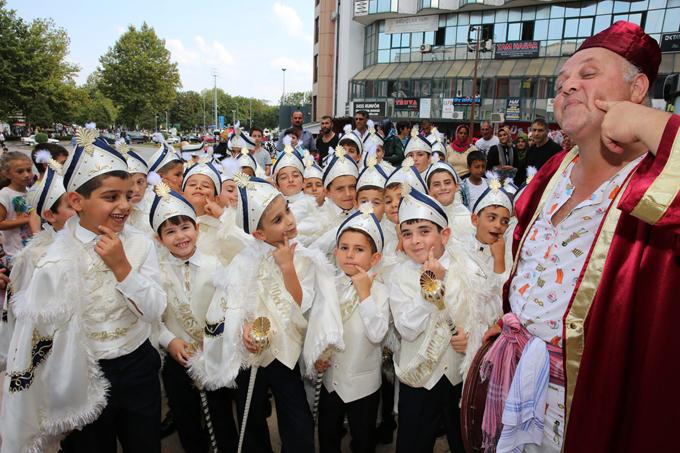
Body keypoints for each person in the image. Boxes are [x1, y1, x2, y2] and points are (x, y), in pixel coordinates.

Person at [472, 21, 680, 453]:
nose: (567, 88)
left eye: (587, 75)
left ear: (638, 87)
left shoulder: (659, 184)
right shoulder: (551, 173)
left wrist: (649, 123)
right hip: (522, 391)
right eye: (561, 81)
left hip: (595, 403)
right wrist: (514, 322)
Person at [1, 127, 166, 452]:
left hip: (136, 365)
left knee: (144, 443)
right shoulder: (51, 258)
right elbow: (38, 334)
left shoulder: (139, 245)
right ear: (76, 201)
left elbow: (155, 308)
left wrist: (122, 268)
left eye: (127, 196)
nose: (123, 205)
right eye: (110, 197)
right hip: (80, 372)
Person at [190, 174, 340, 453]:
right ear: (258, 234)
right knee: (251, 419)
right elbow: (231, 304)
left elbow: (302, 304)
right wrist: (243, 330)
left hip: (286, 353)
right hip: (251, 354)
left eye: (288, 211)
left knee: (297, 422)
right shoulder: (244, 259)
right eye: (278, 220)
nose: (289, 221)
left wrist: (287, 268)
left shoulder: (304, 257)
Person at [388, 185, 480, 453]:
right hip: (419, 378)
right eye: (407, 234)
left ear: (445, 234)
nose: (415, 240)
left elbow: (484, 313)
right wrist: (430, 288)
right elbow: (406, 327)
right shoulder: (400, 274)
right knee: (413, 443)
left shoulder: (468, 268)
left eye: (424, 231)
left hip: (458, 376)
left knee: (464, 442)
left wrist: (472, 338)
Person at [150, 183, 238, 453]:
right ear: (158, 238)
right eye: (170, 231)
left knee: (221, 416)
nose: (180, 237)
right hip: (177, 356)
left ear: (198, 228)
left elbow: (229, 308)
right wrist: (170, 341)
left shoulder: (216, 265)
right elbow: (152, 317)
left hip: (214, 354)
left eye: (185, 228)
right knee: (186, 417)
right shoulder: (155, 272)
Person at [313, 205, 388, 453]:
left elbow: (377, 334)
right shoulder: (329, 286)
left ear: (374, 258)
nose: (350, 255)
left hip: (363, 386)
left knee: (363, 439)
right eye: (344, 248)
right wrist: (316, 357)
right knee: (327, 436)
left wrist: (365, 294)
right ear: (335, 252)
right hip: (331, 381)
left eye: (359, 250)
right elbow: (318, 327)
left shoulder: (380, 290)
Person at [0, 164, 75, 371]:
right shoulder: (34, 256)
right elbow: (21, 313)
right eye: (71, 206)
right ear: (50, 215)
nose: (79, 210)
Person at [272, 139, 322, 246]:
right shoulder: (273, 207)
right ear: (277, 186)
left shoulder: (310, 204)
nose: (290, 180)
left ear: (304, 182)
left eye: (295, 176)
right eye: (284, 177)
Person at [425, 158, 475, 245]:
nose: (443, 188)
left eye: (447, 183)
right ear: (428, 191)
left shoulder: (466, 216)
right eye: (436, 184)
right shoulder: (424, 217)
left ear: (456, 186)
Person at [0, 152, 34, 263]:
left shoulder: (30, 192)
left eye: (29, 170)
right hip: (16, 255)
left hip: (31, 250)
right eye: (20, 171)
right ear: (7, 174)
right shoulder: (5, 194)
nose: (26, 175)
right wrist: (23, 220)